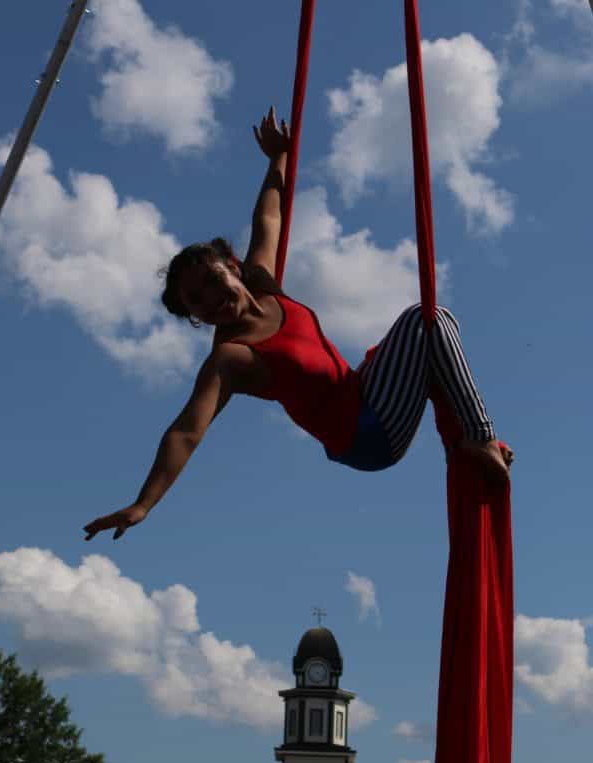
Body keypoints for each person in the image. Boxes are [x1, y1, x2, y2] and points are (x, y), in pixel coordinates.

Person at [84, 107, 511, 542]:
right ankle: (479, 437)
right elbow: (186, 431)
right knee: (430, 319)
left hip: (363, 392)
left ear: (233, 267)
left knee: (433, 324)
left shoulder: (262, 282)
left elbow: (269, 218)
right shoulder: (230, 358)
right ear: (194, 316)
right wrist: (143, 503)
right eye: (197, 301)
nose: (213, 300)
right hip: (366, 436)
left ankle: (470, 436)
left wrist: (277, 158)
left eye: (213, 282)